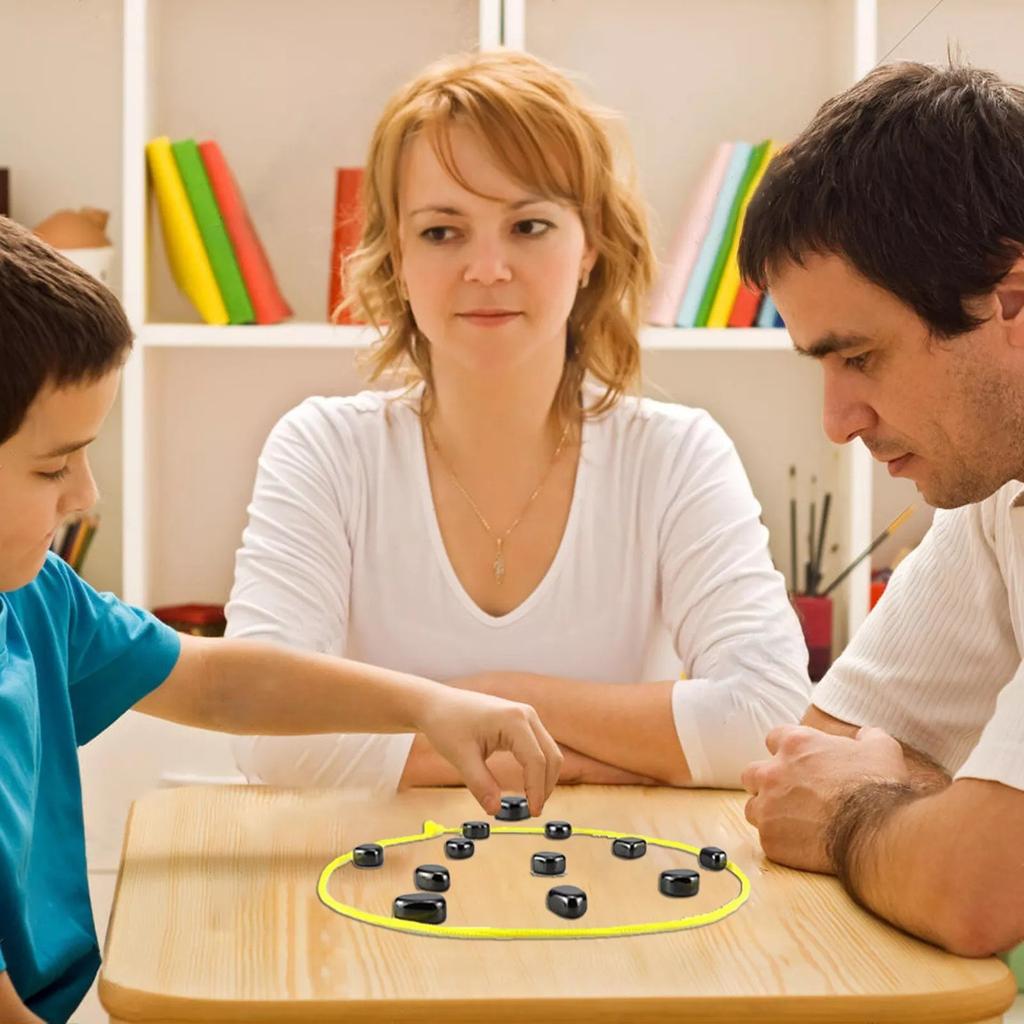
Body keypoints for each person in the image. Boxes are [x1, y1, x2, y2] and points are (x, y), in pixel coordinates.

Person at [0, 216, 561, 1023]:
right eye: (53, 465)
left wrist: (429, 705)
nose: (85, 495)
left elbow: (215, 681)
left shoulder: (37, 596)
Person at [225, 49, 811, 796]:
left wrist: (487, 694)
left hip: (613, 880)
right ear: (397, 257)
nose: (488, 268)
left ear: (590, 246)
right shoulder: (323, 451)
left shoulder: (677, 455)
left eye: (529, 226)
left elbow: (767, 713)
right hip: (373, 883)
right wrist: (605, 757)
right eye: (443, 232)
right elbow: (267, 732)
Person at [737, 60, 1024, 957]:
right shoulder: (996, 489)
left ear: (1009, 300)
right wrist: (918, 816)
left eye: (859, 357)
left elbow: (977, 888)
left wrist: (861, 815)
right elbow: (811, 761)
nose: (837, 422)